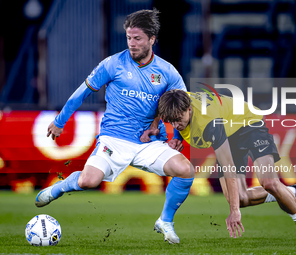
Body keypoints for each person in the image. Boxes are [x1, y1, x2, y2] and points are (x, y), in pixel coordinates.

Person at [35, 9, 195, 245]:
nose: (132, 43)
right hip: (114, 138)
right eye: (129, 38)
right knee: (88, 181)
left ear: (152, 39)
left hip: (148, 141)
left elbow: (182, 106)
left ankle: (165, 221)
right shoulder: (112, 64)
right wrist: (59, 122)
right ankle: (61, 188)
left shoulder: (167, 71)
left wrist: (178, 135)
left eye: (138, 38)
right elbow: (82, 93)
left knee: (186, 170)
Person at [156, 89, 296, 244]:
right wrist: (177, 136)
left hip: (250, 124)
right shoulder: (178, 101)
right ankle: (291, 191)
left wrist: (234, 212)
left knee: (269, 182)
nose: (176, 124)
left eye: (178, 119)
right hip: (229, 133)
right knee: (240, 198)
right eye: (171, 121)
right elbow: (174, 114)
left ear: (190, 109)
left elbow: (229, 168)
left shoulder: (209, 123)